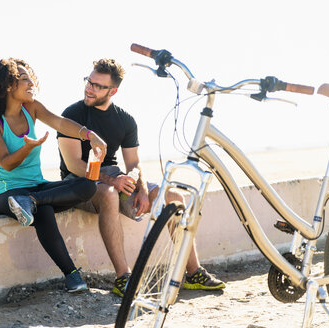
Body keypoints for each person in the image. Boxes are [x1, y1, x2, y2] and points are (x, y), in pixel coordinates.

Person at [57, 58, 225, 297]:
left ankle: (193, 272)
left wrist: (143, 190)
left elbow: (133, 164)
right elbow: (74, 165)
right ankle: (123, 277)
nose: (89, 88)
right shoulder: (71, 115)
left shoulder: (125, 119)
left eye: (97, 86)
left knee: (174, 196)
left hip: (114, 177)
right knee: (109, 193)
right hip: (78, 182)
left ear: (113, 91)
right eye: (89, 81)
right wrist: (113, 181)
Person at [0, 58, 107, 293]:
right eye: (24, 79)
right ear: (7, 86)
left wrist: (90, 135)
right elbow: (6, 164)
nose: (31, 82)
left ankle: (32, 202)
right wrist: (27, 147)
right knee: (43, 211)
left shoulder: (32, 109)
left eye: (30, 77)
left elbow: (60, 122)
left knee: (88, 186)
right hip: (7, 194)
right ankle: (72, 275)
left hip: (36, 189)